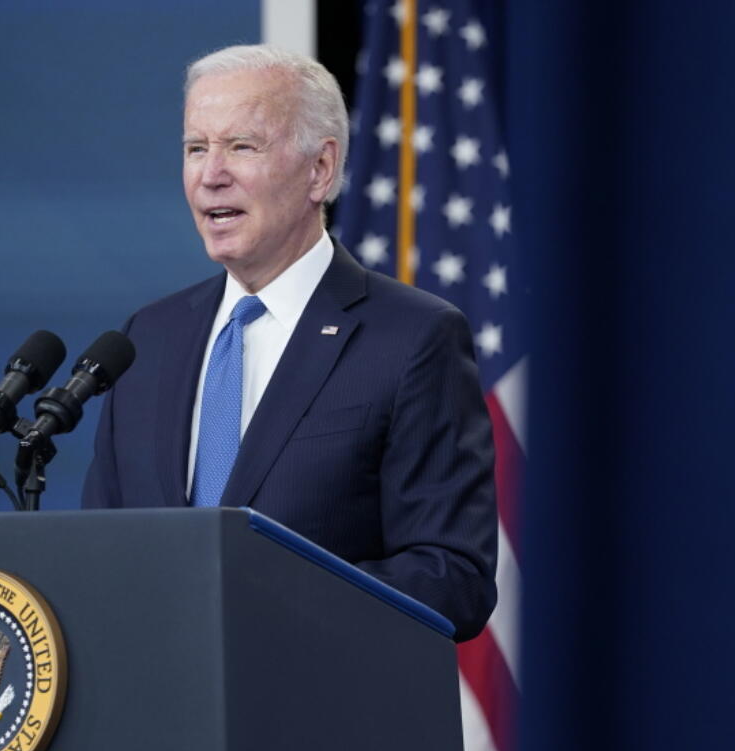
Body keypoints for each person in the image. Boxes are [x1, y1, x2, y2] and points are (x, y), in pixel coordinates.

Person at [81, 44, 497, 642]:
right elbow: (102, 554)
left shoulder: (412, 338)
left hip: (317, 718)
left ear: (319, 170)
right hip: (162, 719)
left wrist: (262, 607)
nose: (210, 173)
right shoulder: (147, 338)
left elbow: (451, 576)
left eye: (241, 146)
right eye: (196, 148)